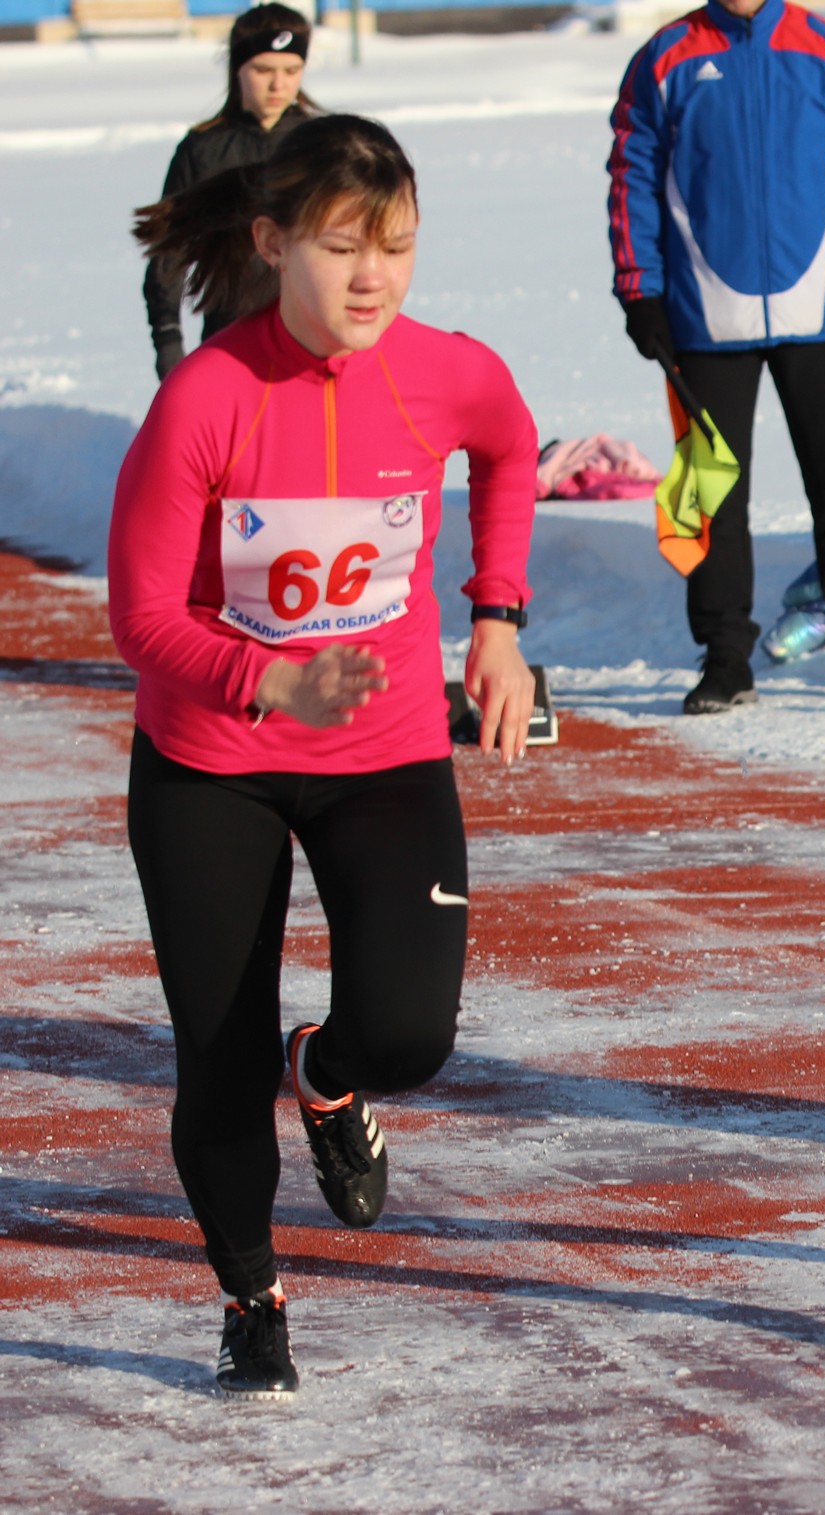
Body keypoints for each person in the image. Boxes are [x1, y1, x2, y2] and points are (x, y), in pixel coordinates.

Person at [115, 114, 539, 1395]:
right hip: (211, 763)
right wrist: (272, 678)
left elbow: (511, 446)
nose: (373, 276)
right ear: (271, 242)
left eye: (397, 246)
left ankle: (334, 1076)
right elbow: (138, 618)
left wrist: (500, 618)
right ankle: (252, 1291)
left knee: (410, 1033)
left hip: (386, 750)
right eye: (344, 246)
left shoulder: (442, 371)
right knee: (217, 1058)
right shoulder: (206, 398)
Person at [606, 0, 825, 713]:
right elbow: (631, 177)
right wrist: (640, 293)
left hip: (819, 314)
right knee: (713, 491)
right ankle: (724, 656)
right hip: (703, 318)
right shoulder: (666, 57)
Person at [144, 3, 318, 380]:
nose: (278, 85)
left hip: (312, 343)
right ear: (237, 68)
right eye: (263, 70)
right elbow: (168, 254)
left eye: (291, 71)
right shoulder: (203, 150)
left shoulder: (320, 143)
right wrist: (168, 339)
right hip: (230, 343)